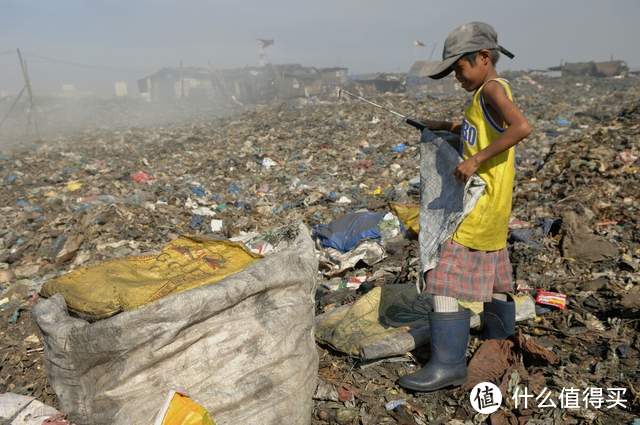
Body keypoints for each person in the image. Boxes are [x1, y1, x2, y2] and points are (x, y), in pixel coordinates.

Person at [399, 22, 532, 392]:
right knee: (495, 279)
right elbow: (478, 129)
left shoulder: (491, 88)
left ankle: (448, 364)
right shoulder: (482, 96)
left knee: (440, 276)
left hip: (479, 204)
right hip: (492, 206)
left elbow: (521, 127)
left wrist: (475, 161)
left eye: (459, 68)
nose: (456, 76)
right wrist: (444, 126)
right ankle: (499, 343)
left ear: (484, 58)